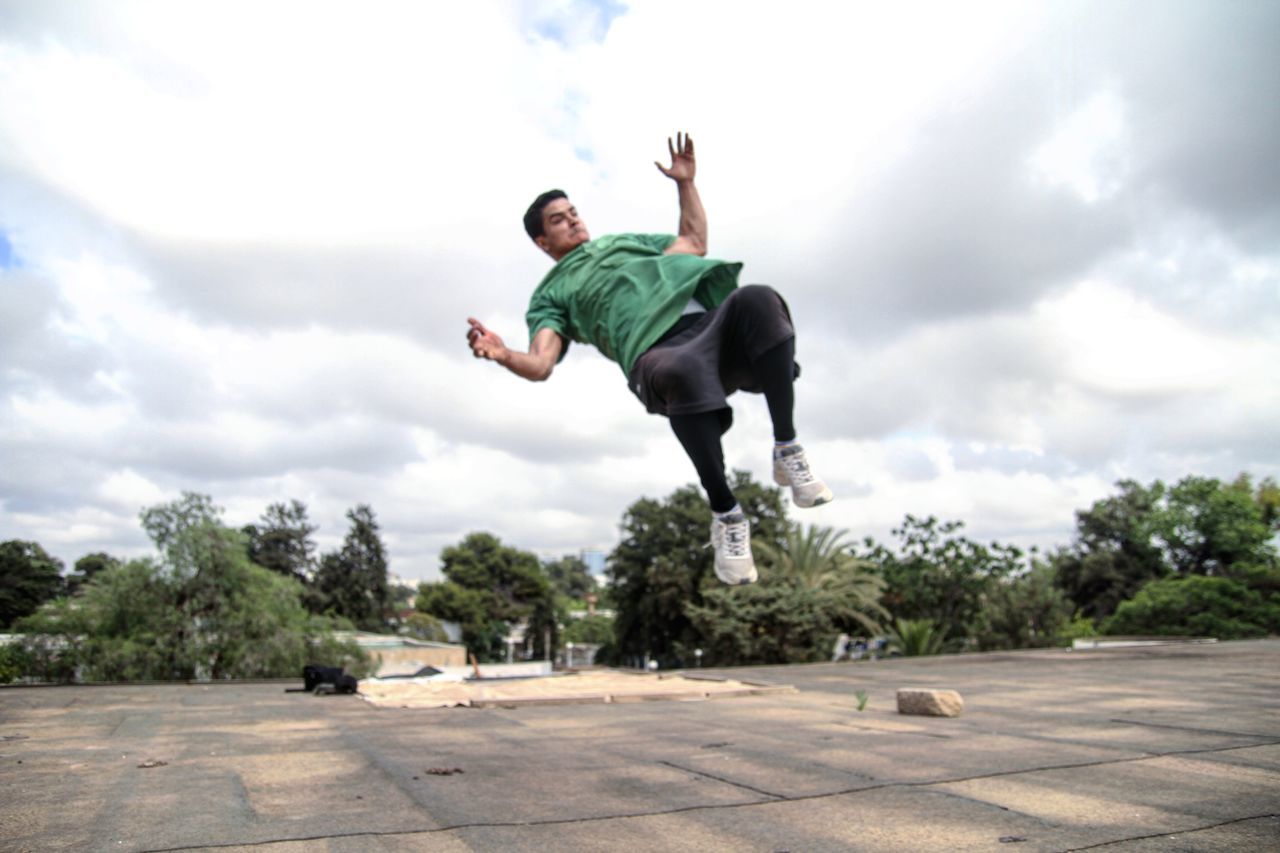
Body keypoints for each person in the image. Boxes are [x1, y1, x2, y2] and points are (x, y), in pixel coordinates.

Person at [466, 133, 832, 585]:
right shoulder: (551, 293)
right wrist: (503, 354)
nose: (573, 222)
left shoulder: (624, 243)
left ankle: (787, 447)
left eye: (574, 213)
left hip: (713, 329)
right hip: (657, 353)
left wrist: (686, 184)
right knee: (678, 371)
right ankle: (727, 514)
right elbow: (541, 363)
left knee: (759, 299)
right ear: (543, 242)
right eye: (559, 221)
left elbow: (693, 242)